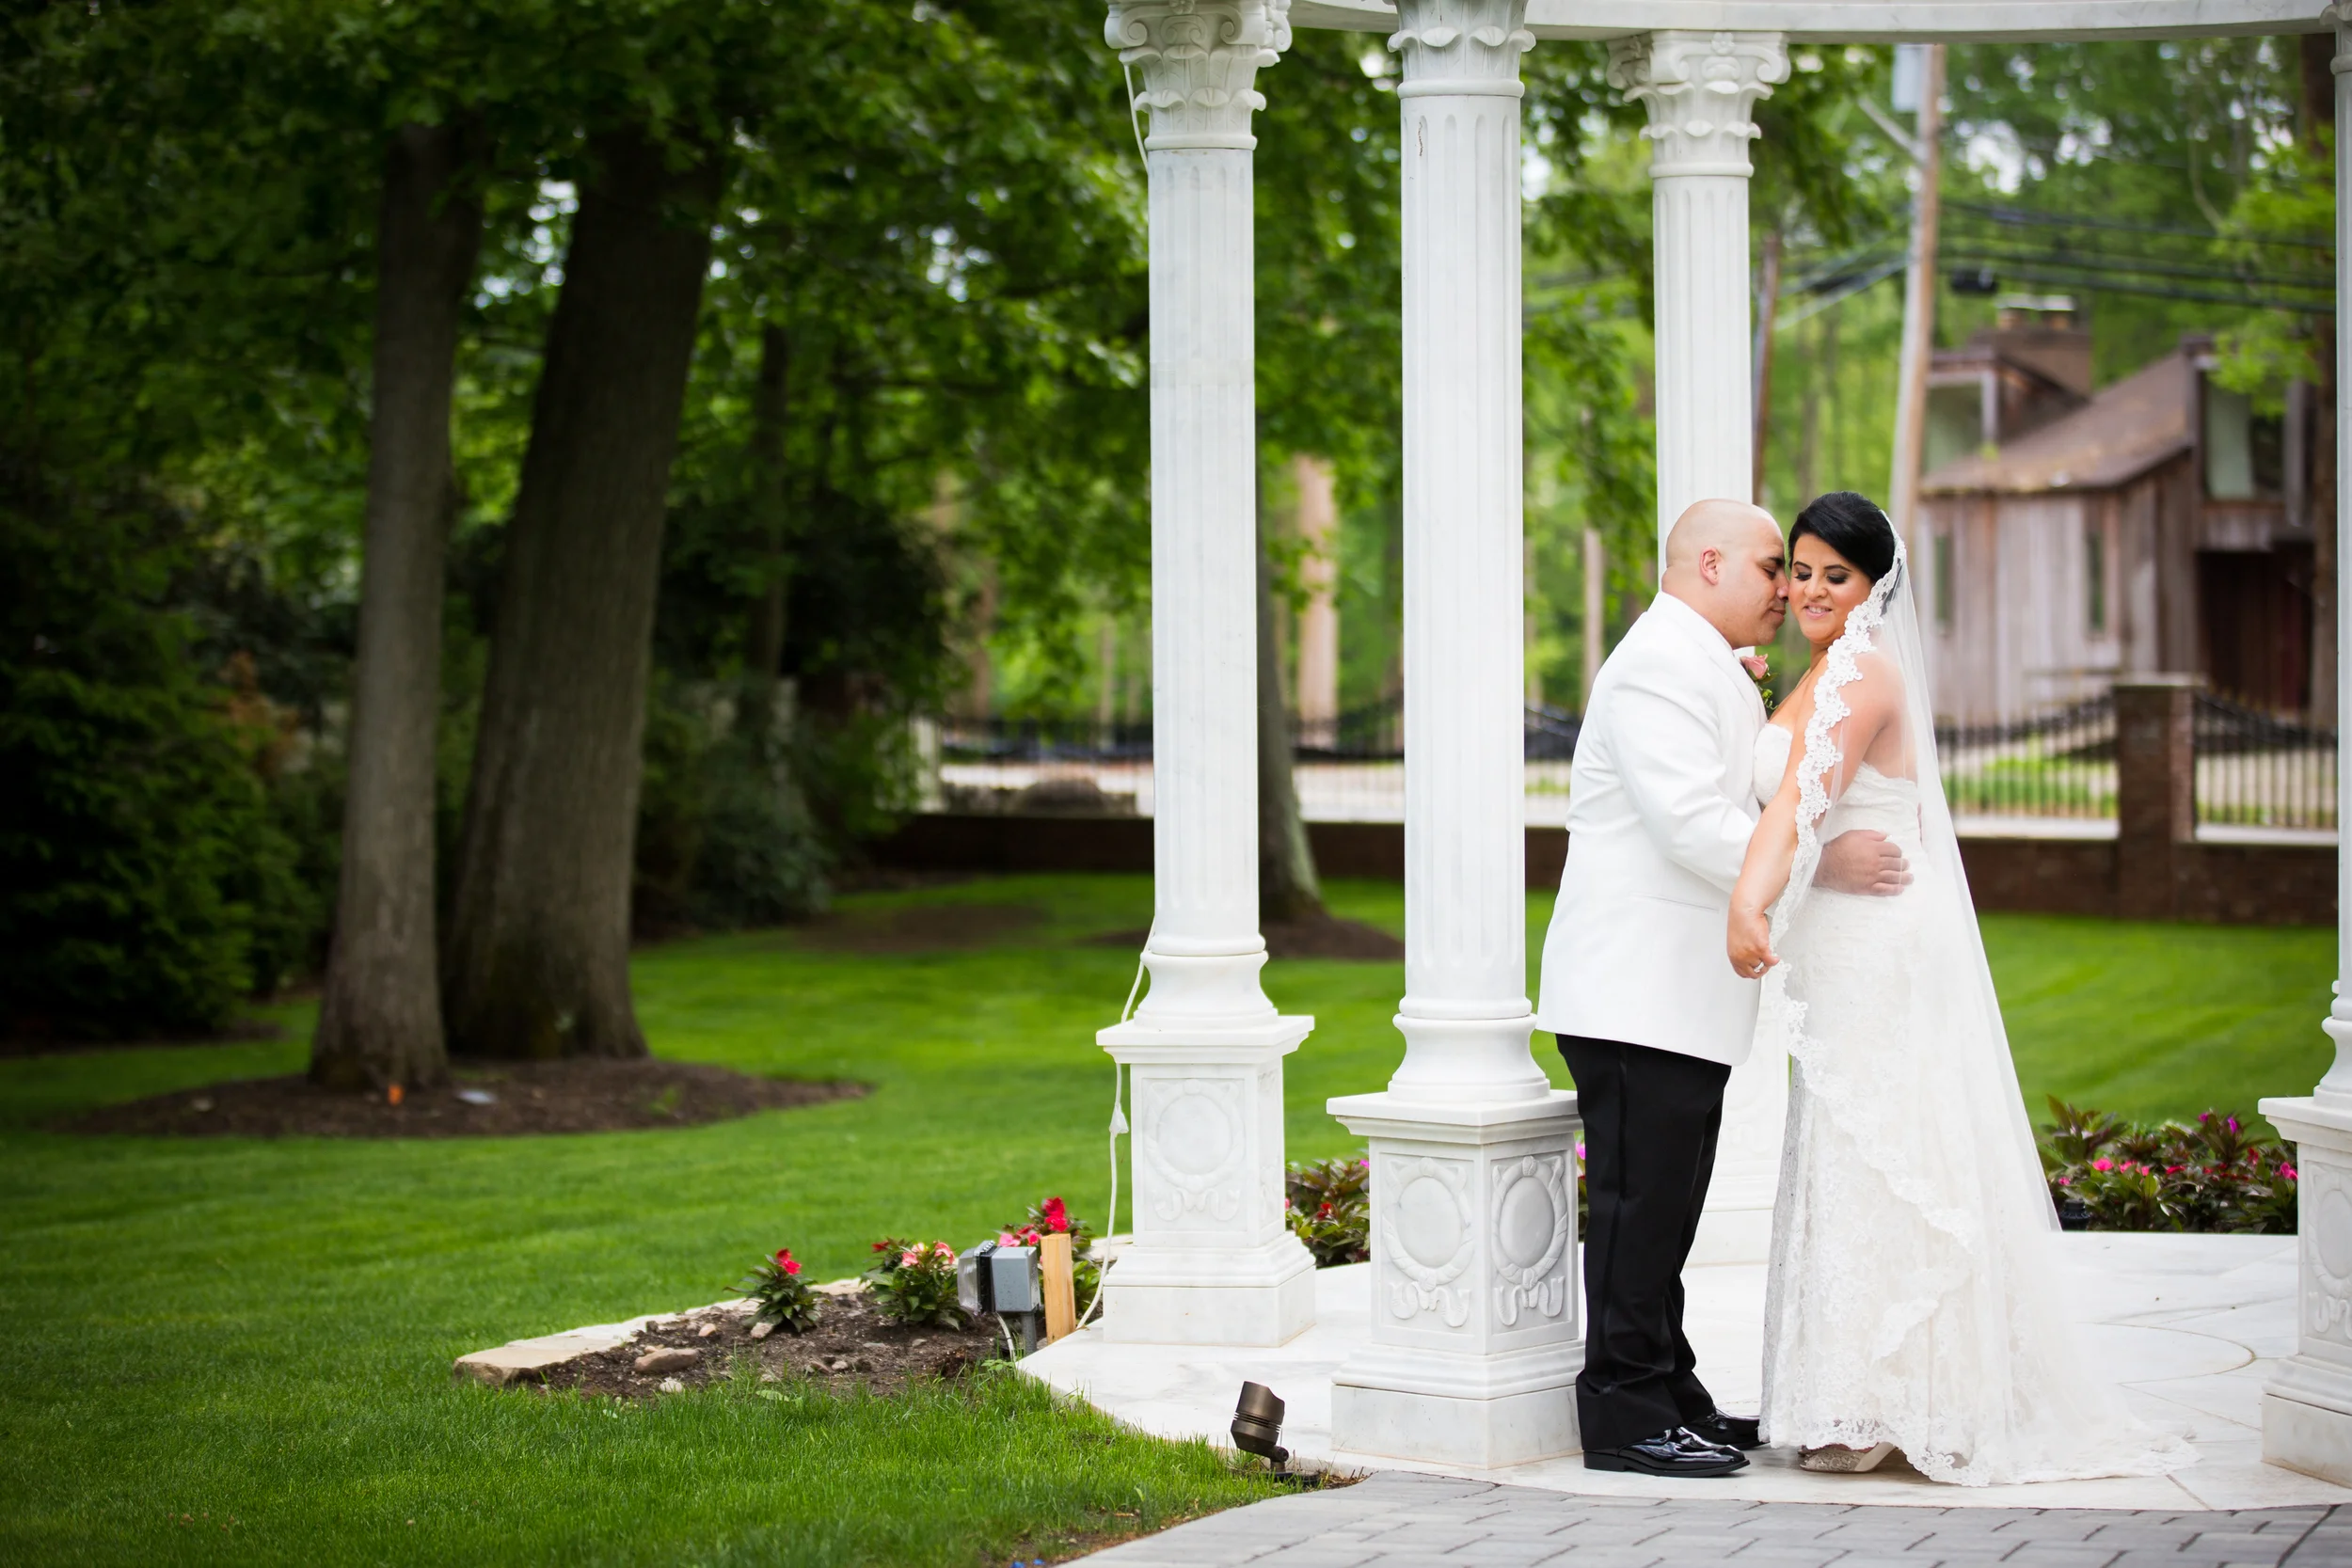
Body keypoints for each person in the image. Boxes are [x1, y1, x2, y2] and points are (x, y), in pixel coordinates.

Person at [1728, 491, 2192, 1484]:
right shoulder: (1819, 673)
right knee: (1848, 1148)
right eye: (1799, 570)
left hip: (1879, 944)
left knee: (1890, 1150)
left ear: (1873, 585)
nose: (1810, 588)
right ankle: (1853, 1390)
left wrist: (1747, 905)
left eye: (1833, 575)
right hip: (1844, 945)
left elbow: (1795, 809)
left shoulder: (1858, 674)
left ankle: (1904, 1396)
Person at [1534, 498, 1910, 1478]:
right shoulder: (1659, 664)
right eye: (1768, 567)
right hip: (1634, 991)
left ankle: (1669, 1389)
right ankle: (1620, 1410)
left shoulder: (1702, 661)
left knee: (1666, 1206)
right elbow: (1692, 823)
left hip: (1676, 994)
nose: (1786, 589)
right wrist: (1822, 865)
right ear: (1707, 563)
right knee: (1635, 1206)